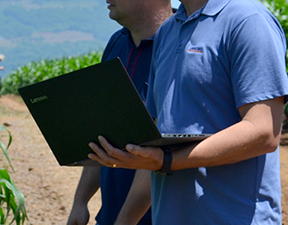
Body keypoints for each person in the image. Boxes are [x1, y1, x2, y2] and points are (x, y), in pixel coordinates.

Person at [88, 0, 288, 224]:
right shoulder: (167, 32)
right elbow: (155, 143)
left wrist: (169, 160)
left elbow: (263, 132)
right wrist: (124, 221)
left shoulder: (248, 20)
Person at [67, 0, 173, 225]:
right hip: (112, 216)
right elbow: (104, 136)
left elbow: (160, 155)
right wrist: (80, 201)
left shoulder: (179, 45)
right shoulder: (117, 42)